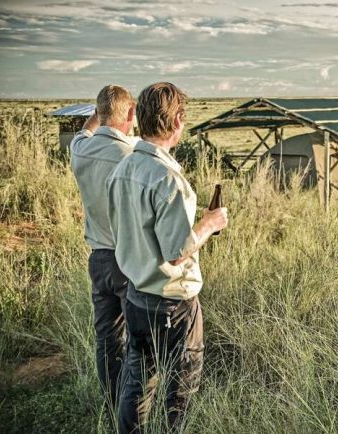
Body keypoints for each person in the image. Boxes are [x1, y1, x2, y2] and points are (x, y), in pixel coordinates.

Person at [107, 82, 228, 433]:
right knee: (179, 393)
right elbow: (176, 253)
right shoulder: (169, 180)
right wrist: (209, 223)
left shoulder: (122, 170)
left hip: (135, 296)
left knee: (137, 385)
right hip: (173, 306)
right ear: (176, 121)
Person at [69, 85, 136, 414]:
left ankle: (111, 406)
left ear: (97, 113)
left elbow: (83, 132)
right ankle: (132, 411)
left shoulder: (80, 149)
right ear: (131, 113)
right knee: (138, 341)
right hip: (128, 259)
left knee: (107, 339)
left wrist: (95, 117)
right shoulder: (131, 154)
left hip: (98, 258)